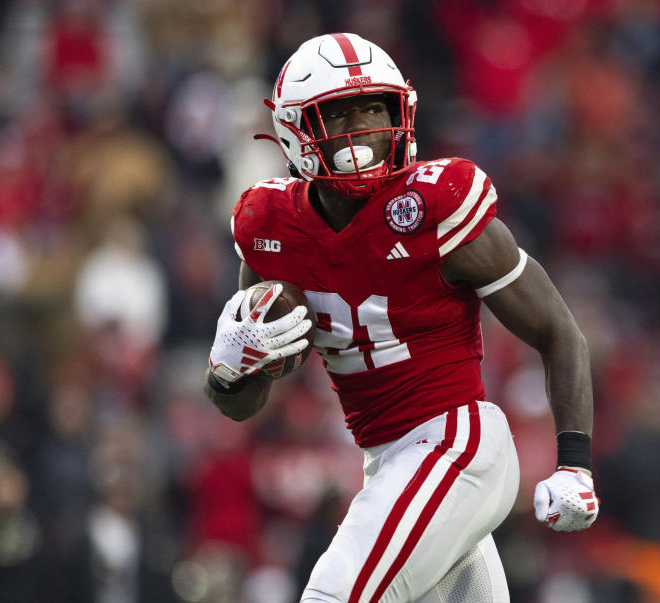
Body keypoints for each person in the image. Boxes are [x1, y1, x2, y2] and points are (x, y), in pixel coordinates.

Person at [203, 33, 598, 603]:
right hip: (388, 465)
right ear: (295, 127)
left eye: (373, 107)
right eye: (338, 113)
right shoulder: (270, 228)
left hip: (455, 445)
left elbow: (559, 331)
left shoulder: (434, 205)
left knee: (332, 596)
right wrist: (226, 370)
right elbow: (241, 404)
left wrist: (575, 464)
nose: (361, 127)